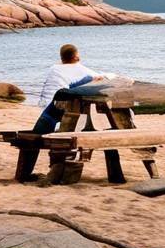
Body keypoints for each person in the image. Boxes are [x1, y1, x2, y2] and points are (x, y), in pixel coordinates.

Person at [18, 44, 115, 180]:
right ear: (76, 56)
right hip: (75, 114)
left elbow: (55, 88)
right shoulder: (85, 72)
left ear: (62, 58)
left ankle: (25, 174)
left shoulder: (55, 69)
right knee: (42, 138)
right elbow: (101, 79)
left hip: (53, 110)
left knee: (34, 138)